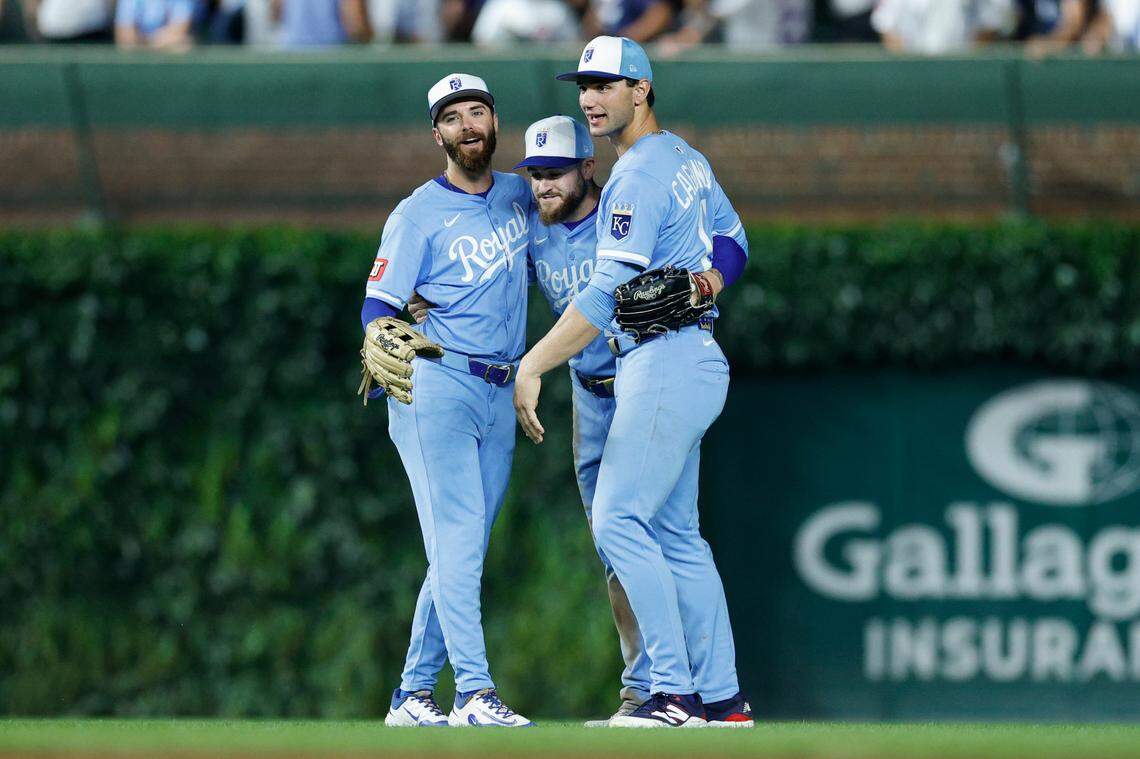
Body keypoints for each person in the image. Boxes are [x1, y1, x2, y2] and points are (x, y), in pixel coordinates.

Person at [512, 36, 752, 728]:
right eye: (584, 85)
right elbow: (735, 240)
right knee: (676, 534)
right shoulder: (686, 158)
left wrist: (532, 364)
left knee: (618, 518)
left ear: (641, 89)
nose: (591, 97)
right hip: (690, 357)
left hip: (664, 359)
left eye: (607, 84)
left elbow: (607, 293)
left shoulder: (640, 173)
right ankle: (724, 701)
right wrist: (712, 276)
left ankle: (670, 694)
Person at [410, 114, 657, 725]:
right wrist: (425, 300)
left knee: (651, 537)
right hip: (589, 398)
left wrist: (530, 366)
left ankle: (681, 688)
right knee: (611, 544)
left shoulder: (621, 221)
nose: (543, 185)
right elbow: (484, 280)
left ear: (587, 168)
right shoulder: (535, 230)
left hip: (643, 389)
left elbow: (608, 305)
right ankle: (643, 691)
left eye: (556, 172)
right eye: (536, 174)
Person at [358, 72, 533, 728]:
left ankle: (410, 695)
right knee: (460, 540)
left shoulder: (519, 194)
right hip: (438, 382)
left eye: (478, 112)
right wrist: (381, 329)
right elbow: (378, 302)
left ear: (494, 123)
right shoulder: (415, 214)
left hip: (501, 388)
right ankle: (475, 694)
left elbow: (573, 200)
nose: (468, 125)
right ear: (437, 134)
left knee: (464, 549)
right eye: (453, 116)